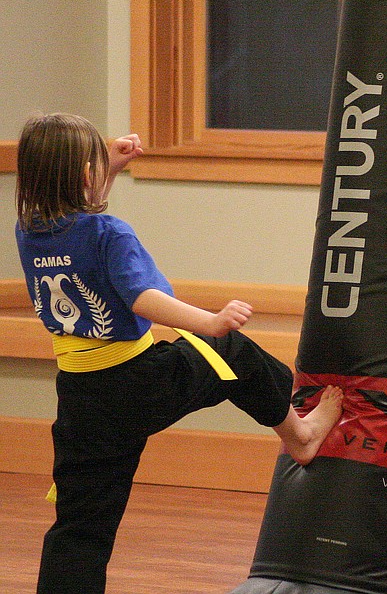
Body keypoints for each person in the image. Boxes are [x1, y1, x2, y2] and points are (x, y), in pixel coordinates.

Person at [15, 112, 344, 594]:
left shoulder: (29, 230)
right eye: (96, 164)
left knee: (80, 529)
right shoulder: (110, 233)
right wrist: (209, 322)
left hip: (81, 399)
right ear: (85, 176)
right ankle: (302, 435)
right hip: (132, 381)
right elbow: (141, 297)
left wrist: (110, 168)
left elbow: (75, 226)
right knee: (232, 352)